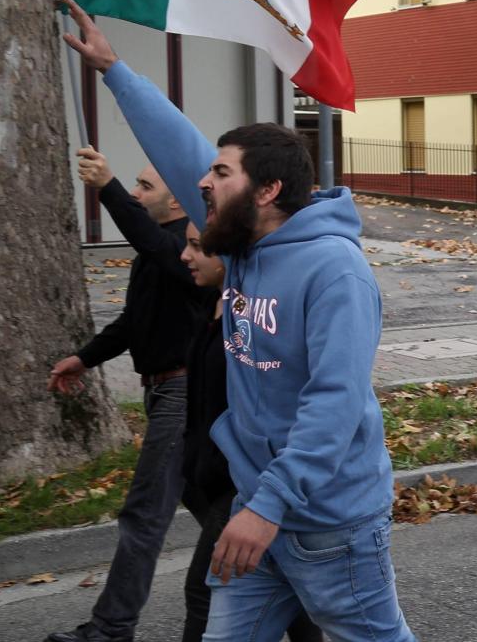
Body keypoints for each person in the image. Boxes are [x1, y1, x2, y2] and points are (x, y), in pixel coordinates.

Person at [62, 0, 416, 642]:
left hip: (329, 520)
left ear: (268, 190)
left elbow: (334, 404)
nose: (202, 181)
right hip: (257, 513)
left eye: (221, 173)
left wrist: (269, 508)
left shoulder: (335, 271)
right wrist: (115, 70)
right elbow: (179, 150)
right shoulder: (245, 242)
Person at [46, 149, 210, 642]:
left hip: (183, 396)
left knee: (143, 514)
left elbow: (152, 242)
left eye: (145, 187)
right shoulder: (156, 253)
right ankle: (288, 590)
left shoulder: (188, 253)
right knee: (223, 517)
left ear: (178, 203)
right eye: (134, 187)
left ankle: (110, 629)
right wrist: (84, 358)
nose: (137, 195)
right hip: (163, 394)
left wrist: (108, 187)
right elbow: (132, 321)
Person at [179, 223, 322, 642]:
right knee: (291, 594)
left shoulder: (255, 321)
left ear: (227, 257)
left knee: (205, 590)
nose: (185, 256)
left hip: (244, 484)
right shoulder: (212, 306)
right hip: (210, 482)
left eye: (195, 246)